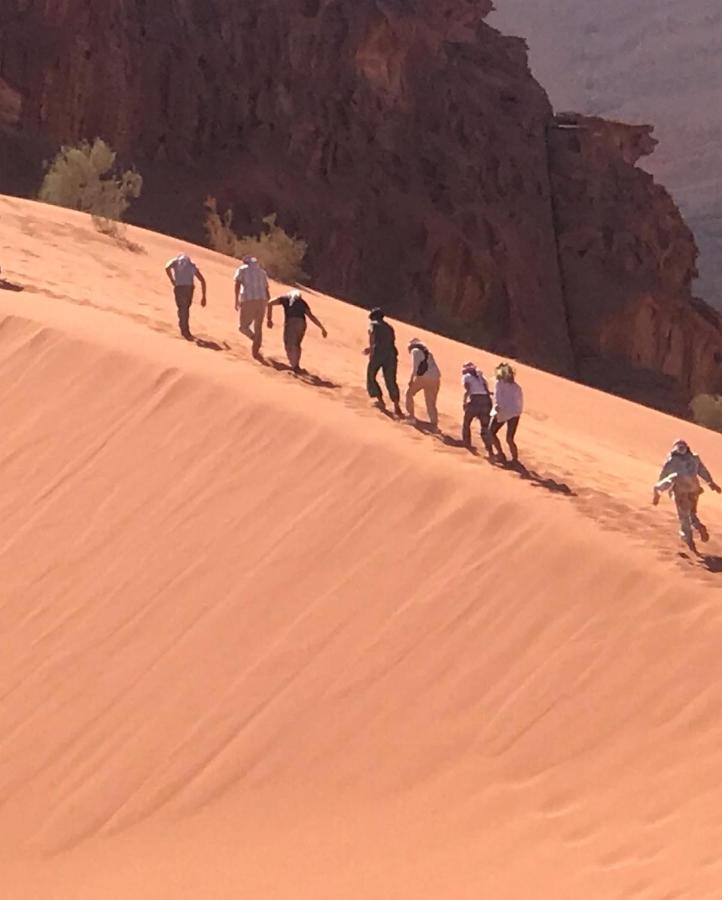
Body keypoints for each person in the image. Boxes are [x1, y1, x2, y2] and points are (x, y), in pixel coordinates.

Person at [653, 439, 721, 551]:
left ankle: (689, 540)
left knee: (684, 516)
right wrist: (711, 483)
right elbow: (703, 471)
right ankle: (698, 525)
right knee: (692, 512)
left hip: (680, 491)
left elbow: (663, 475)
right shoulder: (694, 458)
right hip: (694, 489)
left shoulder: (672, 460)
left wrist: (659, 489)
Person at [267, 290, 327, 372]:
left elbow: (270, 303)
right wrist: (321, 328)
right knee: (296, 344)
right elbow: (311, 316)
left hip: (291, 322)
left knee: (288, 343)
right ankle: (296, 365)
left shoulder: (286, 299)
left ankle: (294, 365)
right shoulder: (302, 303)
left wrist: (269, 319)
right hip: (302, 323)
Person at [364, 308, 403, 417]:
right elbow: (389, 341)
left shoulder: (373, 324)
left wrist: (371, 352)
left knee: (371, 374)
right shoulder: (390, 327)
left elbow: (372, 338)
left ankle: (380, 400)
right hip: (391, 355)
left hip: (379, 354)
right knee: (390, 379)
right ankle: (396, 405)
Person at [234, 256, 270, 358]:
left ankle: (255, 340)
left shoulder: (242, 269)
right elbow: (266, 289)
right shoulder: (262, 272)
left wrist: (236, 300)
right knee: (258, 327)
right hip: (262, 301)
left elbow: (237, 284)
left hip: (248, 300)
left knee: (243, 327)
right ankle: (256, 351)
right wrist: (268, 304)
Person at [164, 252, 207, 339]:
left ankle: (184, 329)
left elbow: (167, 267)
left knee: (182, 308)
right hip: (189, 288)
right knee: (185, 308)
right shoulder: (191, 265)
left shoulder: (176, 261)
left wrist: (172, 279)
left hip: (179, 287)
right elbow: (202, 280)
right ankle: (184, 329)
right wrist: (203, 297)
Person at [488, 362, 524, 462]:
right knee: (510, 438)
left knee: (491, 432)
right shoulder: (517, 387)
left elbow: (498, 398)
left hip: (503, 411)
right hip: (515, 413)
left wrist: (495, 410)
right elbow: (519, 401)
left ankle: (500, 454)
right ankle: (515, 459)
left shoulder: (499, 383)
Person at [405, 338, 441, 430]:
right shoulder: (428, 353)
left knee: (409, 394)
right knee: (431, 403)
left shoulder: (415, 351)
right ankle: (434, 424)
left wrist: (411, 379)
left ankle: (411, 417)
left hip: (423, 378)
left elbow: (415, 367)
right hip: (435, 379)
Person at [461, 362, 492, 453]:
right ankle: (489, 449)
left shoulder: (466, 377)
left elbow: (468, 390)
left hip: (475, 401)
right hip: (486, 401)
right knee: (485, 426)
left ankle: (467, 443)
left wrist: (464, 402)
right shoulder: (481, 377)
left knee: (466, 423)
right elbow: (486, 390)